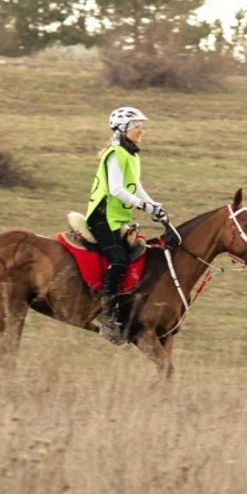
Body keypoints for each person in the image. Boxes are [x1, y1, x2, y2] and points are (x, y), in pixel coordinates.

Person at [85, 106, 168, 343]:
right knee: (118, 259)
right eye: (137, 127)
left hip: (117, 217)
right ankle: (107, 316)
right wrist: (144, 207)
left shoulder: (131, 155)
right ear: (123, 129)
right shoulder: (115, 154)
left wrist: (154, 205)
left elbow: (135, 186)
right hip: (102, 216)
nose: (142, 131)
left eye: (141, 127)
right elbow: (117, 190)